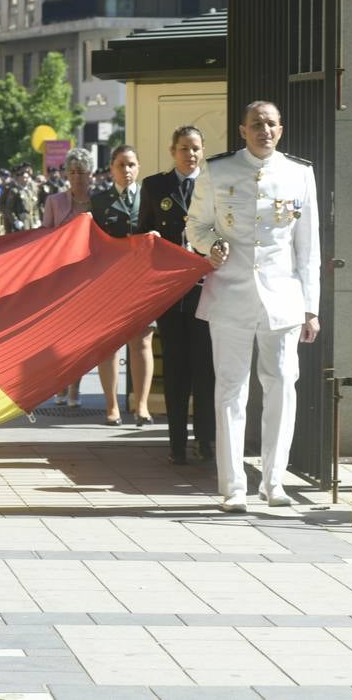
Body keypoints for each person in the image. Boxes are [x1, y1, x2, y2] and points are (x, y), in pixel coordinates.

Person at [186, 100, 320, 513]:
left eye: (271, 124)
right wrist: (212, 246)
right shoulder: (219, 169)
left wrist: (310, 307)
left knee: (281, 385)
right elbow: (196, 225)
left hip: (282, 298)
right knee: (231, 390)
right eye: (256, 124)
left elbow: (308, 248)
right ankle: (233, 487)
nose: (264, 130)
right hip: (230, 293)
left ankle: (274, 481)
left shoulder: (299, 174)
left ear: (281, 129)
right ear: (242, 130)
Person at [138, 126, 215, 464]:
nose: (191, 154)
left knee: (205, 368)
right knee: (176, 369)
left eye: (196, 148)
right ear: (173, 151)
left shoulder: (213, 186)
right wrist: (150, 237)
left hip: (206, 292)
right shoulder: (156, 186)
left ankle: (206, 440)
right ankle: (177, 444)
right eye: (184, 148)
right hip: (171, 294)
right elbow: (140, 233)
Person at [91, 145, 153, 427]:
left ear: (138, 167)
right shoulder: (100, 201)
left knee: (142, 341)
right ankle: (112, 406)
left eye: (130, 165)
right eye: (120, 165)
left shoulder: (149, 196)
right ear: (111, 168)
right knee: (110, 345)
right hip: (110, 283)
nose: (126, 170)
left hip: (142, 280)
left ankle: (141, 406)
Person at [42, 147, 97, 407]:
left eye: (81, 172)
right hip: (60, 277)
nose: (76, 177)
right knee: (57, 336)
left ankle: (75, 388)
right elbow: (43, 239)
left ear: (91, 174)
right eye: (72, 172)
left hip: (89, 278)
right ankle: (59, 384)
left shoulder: (100, 200)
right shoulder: (54, 201)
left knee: (80, 337)